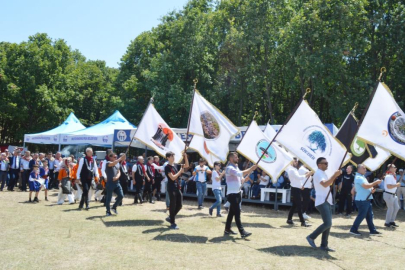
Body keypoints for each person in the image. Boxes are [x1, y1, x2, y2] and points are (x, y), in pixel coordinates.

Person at [306, 157, 342, 252]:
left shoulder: (322, 173)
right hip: (322, 201)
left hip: (326, 201)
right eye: (325, 163)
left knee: (328, 224)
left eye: (327, 163)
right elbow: (325, 184)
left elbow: (327, 183)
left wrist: (334, 176)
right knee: (328, 223)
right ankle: (311, 237)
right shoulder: (318, 173)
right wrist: (334, 175)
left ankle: (324, 245)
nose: (327, 164)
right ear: (319, 165)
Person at [224, 152, 256, 238]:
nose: (237, 158)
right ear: (231, 159)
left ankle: (227, 229)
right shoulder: (229, 168)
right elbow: (240, 174)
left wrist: (243, 180)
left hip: (237, 192)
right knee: (237, 213)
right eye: (235, 157)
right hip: (232, 194)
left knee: (232, 212)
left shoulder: (236, 167)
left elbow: (240, 178)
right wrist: (250, 169)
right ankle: (242, 232)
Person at [349, 164, 382, 236]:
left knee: (369, 215)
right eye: (363, 168)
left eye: (365, 168)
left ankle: (372, 230)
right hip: (362, 200)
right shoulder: (358, 177)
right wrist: (375, 182)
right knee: (362, 215)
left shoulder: (362, 177)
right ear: (358, 170)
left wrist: (371, 190)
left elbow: (366, 187)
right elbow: (366, 186)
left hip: (366, 199)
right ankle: (353, 229)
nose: (365, 170)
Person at [165, 151, 189, 229]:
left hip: (177, 187)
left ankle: (170, 218)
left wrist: (185, 157)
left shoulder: (176, 165)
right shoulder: (167, 167)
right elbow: (173, 177)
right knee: (172, 205)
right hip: (171, 187)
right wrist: (180, 172)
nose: (173, 157)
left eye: (173, 156)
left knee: (179, 205)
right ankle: (173, 223)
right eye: (172, 156)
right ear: (168, 158)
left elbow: (187, 165)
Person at [287, 158, 313, 227]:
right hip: (295, 189)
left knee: (294, 205)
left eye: (297, 161)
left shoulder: (294, 169)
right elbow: (298, 177)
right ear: (291, 162)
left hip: (297, 188)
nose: (296, 163)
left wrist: (301, 185)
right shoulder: (291, 169)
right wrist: (307, 174)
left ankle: (289, 219)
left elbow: (296, 180)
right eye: (295, 161)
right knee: (299, 206)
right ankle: (303, 222)